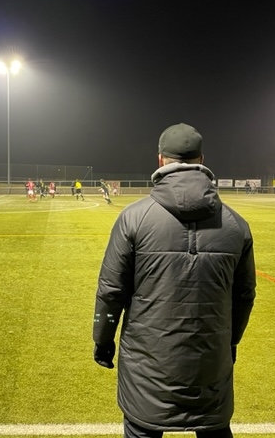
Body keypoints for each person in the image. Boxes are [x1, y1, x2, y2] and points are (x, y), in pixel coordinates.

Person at [93, 123, 256, 438]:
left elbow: (111, 292)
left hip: (147, 369)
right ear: (201, 159)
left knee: (143, 429)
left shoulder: (134, 218)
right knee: (214, 429)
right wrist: (230, 342)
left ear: (160, 161)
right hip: (211, 363)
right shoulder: (236, 224)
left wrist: (103, 339)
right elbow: (244, 296)